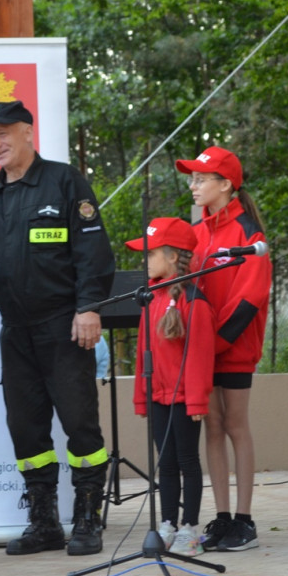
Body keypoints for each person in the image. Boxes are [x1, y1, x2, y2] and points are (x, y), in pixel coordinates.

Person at [0, 100, 115, 556]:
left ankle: (88, 518)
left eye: (3, 133)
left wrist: (88, 308)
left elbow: (92, 253)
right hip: (15, 331)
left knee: (81, 427)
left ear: (27, 132)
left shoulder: (65, 181)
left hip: (64, 326)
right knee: (26, 430)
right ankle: (44, 522)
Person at [174, 146, 272, 551]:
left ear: (226, 185)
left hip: (232, 348)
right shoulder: (194, 233)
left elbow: (250, 298)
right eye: (192, 179)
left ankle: (245, 521)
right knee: (211, 428)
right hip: (202, 349)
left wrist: (214, 343)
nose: (193, 186)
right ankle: (222, 517)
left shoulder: (250, 234)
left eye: (201, 178)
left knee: (235, 425)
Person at [126, 217, 215, 557]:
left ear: (172, 256)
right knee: (165, 463)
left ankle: (189, 528)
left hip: (184, 401)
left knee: (187, 462)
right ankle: (167, 524)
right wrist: (141, 397)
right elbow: (142, 354)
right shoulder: (151, 297)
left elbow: (200, 355)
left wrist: (195, 401)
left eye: (151, 254)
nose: (145, 260)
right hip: (159, 397)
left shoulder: (195, 301)